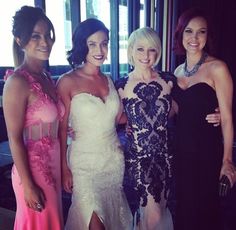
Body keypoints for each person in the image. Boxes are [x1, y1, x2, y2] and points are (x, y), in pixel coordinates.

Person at [57, 18, 133, 230]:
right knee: (93, 222)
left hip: (112, 159)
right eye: (93, 44)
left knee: (112, 217)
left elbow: (117, 118)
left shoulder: (109, 79)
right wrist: (64, 168)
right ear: (82, 45)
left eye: (104, 43)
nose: (100, 50)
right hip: (84, 164)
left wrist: (142, 115)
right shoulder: (67, 82)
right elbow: (62, 130)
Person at [172, 7, 235, 230]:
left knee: (205, 209)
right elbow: (175, 111)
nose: (195, 38)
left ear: (208, 36)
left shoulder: (218, 68)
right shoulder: (177, 71)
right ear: (180, 34)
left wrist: (227, 160)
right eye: (189, 31)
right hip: (181, 150)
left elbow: (227, 118)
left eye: (201, 32)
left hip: (206, 150)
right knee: (184, 207)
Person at [3, 5, 64, 230]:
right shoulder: (17, 82)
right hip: (32, 170)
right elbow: (14, 137)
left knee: (53, 222)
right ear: (20, 40)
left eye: (48, 35)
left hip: (54, 164)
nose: (45, 42)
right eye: (36, 36)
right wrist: (28, 185)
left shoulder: (47, 77)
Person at [116, 27, 174, 230]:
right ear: (131, 50)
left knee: (160, 208)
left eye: (152, 50)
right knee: (153, 214)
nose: (146, 55)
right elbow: (110, 117)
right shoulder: (120, 85)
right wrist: (74, 127)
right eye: (140, 49)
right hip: (139, 160)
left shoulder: (168, 80)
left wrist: (216, 112)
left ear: (157, 52)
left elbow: (182, 108)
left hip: (165, 158)